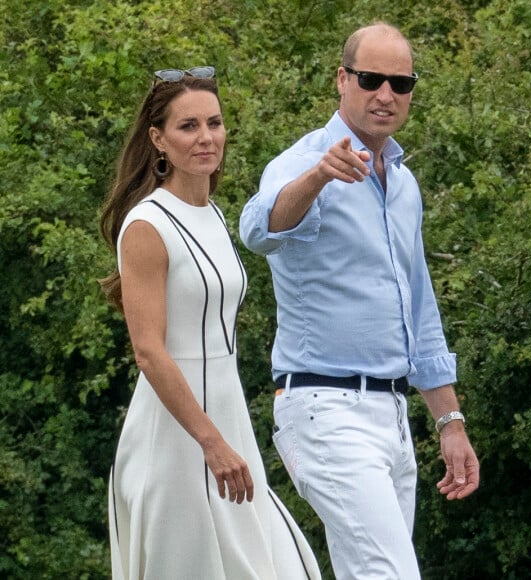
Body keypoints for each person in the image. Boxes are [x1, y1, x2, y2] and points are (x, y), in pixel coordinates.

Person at [239, 22, 480, 580]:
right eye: (371, 79)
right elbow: (258, 227)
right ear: (342, 80)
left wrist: (451, 421)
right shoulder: (303, 161)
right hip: (325, 409)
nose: (386, 94)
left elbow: (419, 310)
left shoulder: (404, 184)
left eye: (401, 82)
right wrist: (320, 177)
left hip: (393, 415)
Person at [99, 66, 321, 580]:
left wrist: (226, 439)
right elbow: (150, 352)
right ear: (158, 139)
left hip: (228, 425)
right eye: (188, 126)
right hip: (177, 440)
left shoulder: (216, 215)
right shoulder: (147, 226)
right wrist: (210, 442)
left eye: (214, 123)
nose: (206, 138)